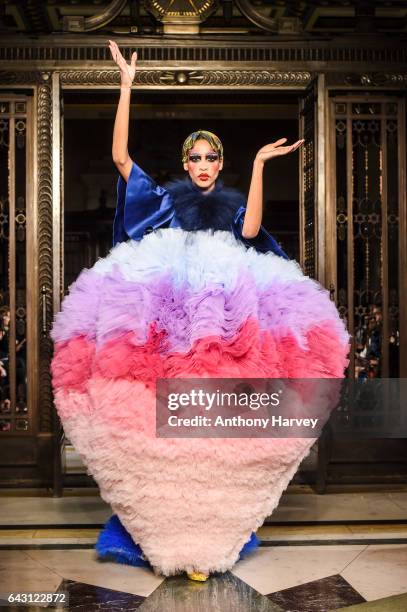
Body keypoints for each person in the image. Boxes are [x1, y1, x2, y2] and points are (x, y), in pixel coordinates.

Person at [50, 41, 350, 581]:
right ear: (185, 164)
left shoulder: (231, 205)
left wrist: (259, 165)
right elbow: (121, 159)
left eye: (212, 158)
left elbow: (252, 231)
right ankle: (165, 531)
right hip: (167, 331)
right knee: (159, 425)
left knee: (217, 423)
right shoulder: (164, 204)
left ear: (220, 163)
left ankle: (213, 530)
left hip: (227, 332)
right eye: (196, 158)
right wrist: (125, 85)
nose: (204, 166)